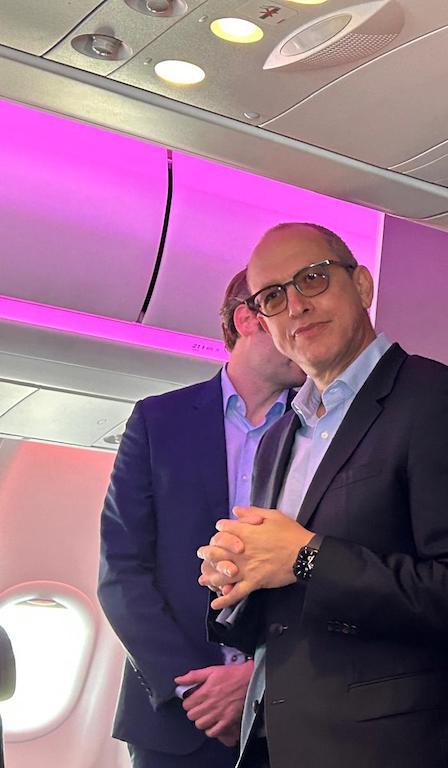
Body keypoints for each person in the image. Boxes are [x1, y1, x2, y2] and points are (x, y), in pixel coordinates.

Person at [198, 222, 448, 767]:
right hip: (273, 737)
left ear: (362, 286)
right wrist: (235, 580)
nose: (296, 307)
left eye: (312, 279)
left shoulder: (437, 401)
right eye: (273, 297)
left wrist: (306, 558)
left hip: (385, 746)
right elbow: (283, 597)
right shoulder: (280, 436)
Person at [98, 269, 306, 768]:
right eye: (284, 317)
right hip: (174, 718)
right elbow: (122, 573)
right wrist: (193, 686)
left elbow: (320, 570)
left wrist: (257, 677)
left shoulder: (318, 429)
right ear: (247, 320)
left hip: (284, 715)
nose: (302, 336)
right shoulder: (158, 421)